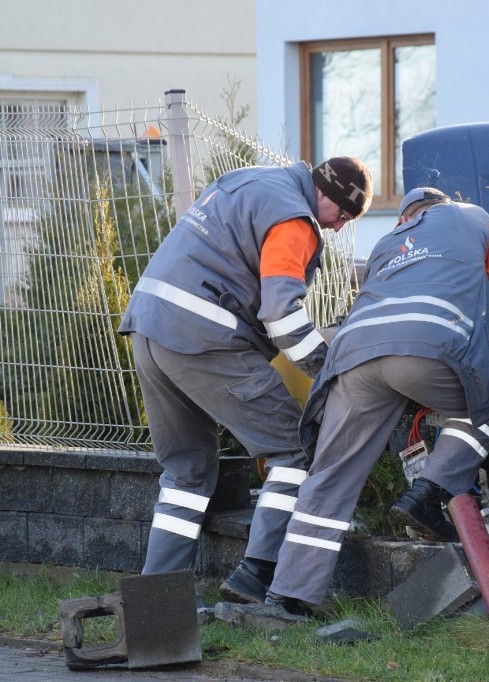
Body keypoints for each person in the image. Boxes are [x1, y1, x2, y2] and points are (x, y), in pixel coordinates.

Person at [117, 156, 373, 605]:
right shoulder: (295, 218)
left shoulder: (249, 180)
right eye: (345, 217)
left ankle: (155, 601)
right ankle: (255, 575)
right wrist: (327, 370)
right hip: (204, 335)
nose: (336, 229)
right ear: (330, 198)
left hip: (148, 325)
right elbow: (281, 313)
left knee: (187, 473)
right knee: (292, 450)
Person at [262, 187, 489, 614]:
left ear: (405, 218)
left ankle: (289, 595)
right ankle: (430, 492)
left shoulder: (387, 244)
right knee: (485, 410)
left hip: (354, 357)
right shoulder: (474, 218)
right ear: (442, 206)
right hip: (431, 347)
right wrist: (475, 355)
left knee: (329, 476)